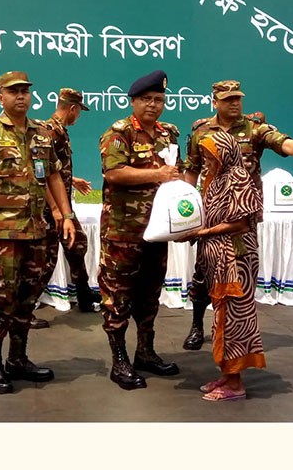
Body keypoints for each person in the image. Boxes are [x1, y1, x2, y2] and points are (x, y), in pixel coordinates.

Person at [181, 80, 293, 350]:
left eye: (238, 98)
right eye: (228, 98)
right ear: (215, 102)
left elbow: (285, 143)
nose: (235, 103)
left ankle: (236, 331)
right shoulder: (200, 130)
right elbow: (193, 168)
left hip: (242, 216)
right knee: (203, 271)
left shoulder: (254, 129)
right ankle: (197, 325)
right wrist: (185, 205)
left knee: (240, 270)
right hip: (211, 212)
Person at [0, 71, 76, 394]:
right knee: (3, 299)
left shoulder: (42, 134)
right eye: (13, 92)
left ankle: (18, 358)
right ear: (0, 96)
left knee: (28, 298)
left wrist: (66, 214)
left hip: (37, 232)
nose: (21, 97)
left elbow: (54, 176)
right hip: (2, 235)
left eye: (25, 92)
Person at [98, 69, 181, 390]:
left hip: (157, 231)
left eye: (159, 100)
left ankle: (145, 352)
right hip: (123, 231)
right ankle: (120, 361)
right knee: (118, 296)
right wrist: (158, 175)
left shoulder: (168, 134)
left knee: (149, 295)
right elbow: (114, 174)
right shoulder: (118, 133)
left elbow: (177, 175)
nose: (153, 105)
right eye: (146, 99)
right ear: (133, 101)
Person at [177, 132, 264, 401]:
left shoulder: (237, 177)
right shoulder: (215, 179)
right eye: (203, 155)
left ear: (225, 153)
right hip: (219, 260)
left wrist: (203, 233)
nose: (205, 160)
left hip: (235, 262)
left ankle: (236, 384)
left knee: (234, 319)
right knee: (221, 318)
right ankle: (227, 374)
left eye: (210, 154)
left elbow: (242, 223)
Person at [36, 88, 100, 324]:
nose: (79, 117)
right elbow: (40, 174)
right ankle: (23, 311)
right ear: (72, 108)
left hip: (62, 206)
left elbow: (54, 168)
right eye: (79, 112)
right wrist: (55, 210)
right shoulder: (49, 132)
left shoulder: (58, 131)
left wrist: (72, 179)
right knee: (45, 261)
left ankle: (84, 295)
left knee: (77, 244)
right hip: (50, 208)